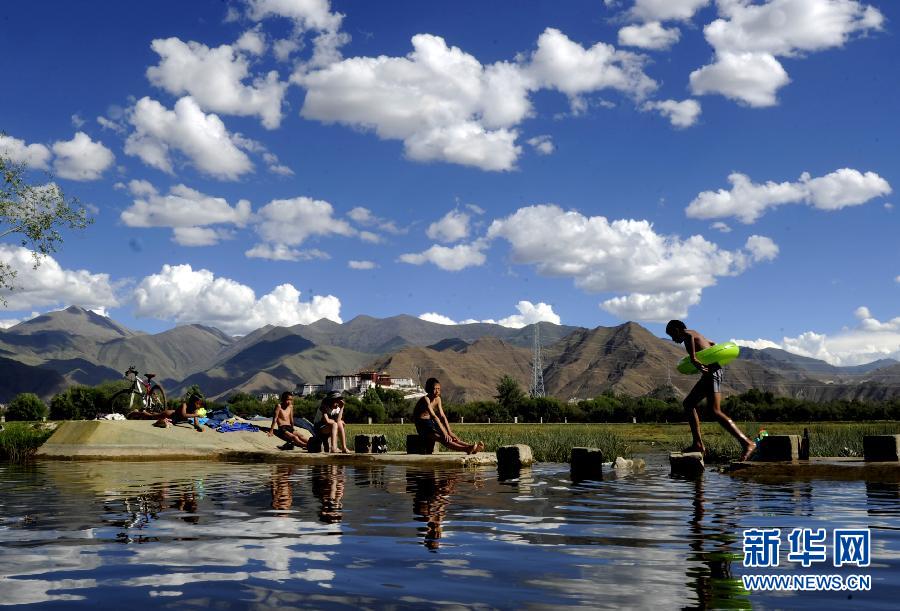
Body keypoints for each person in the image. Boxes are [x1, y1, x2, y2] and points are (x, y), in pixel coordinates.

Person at [665, 320, 755, 461]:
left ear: (677, 330)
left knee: (715, 411)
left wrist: (694, 359)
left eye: (672, 335)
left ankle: (747, 443)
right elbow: (712, 344)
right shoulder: (696, 334)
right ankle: (698, 444)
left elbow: (687, 336)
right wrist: (710, 356)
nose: (673, 339)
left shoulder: (688, 335)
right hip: (710, 373)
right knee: (688, 404)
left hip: (712, 373)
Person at [413, 378, 484, 454]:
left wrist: (449, 432)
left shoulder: (438, 399)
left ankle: (471, 447)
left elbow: (442, 416)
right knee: (441, 437)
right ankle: (466, 449)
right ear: (429, 389)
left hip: (431, 422)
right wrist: (444, 432)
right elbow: (434, 416)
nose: (437, 391)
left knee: (451, 436)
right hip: (422, 425)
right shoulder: (425, 399)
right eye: (435, 389)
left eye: (439, 389)